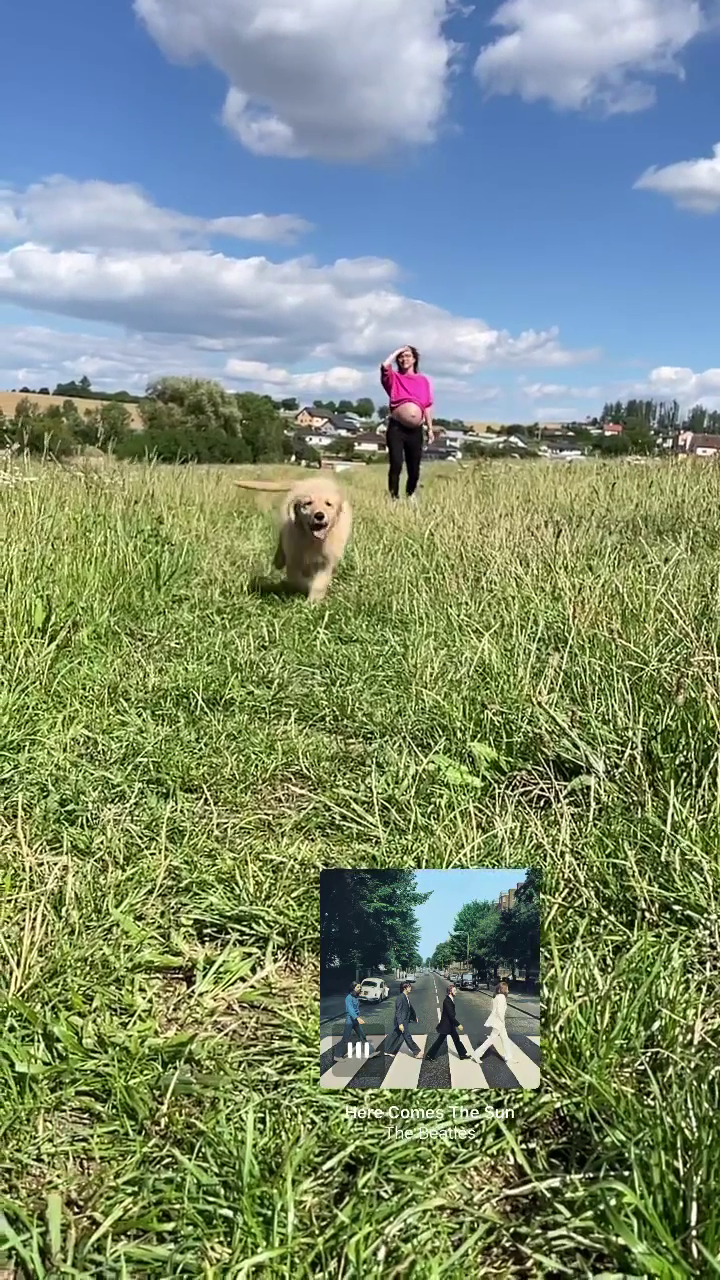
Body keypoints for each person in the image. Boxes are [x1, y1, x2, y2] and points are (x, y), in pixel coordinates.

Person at [380, 345, 434, 501]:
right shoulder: (394, 378)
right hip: (397, 428)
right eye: (401, 357)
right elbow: (384, 365)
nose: (404, 359)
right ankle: (393, 498)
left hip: (416, 430)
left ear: (414, 359)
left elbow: (427, 405)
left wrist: (430, 428)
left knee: (414, 467)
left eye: (408, 355)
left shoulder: (423, 380)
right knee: (396, 463)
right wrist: (397, 350)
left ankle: (410, 495)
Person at [471, 981, 517, 1064]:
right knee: (491, 1040)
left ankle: (509, 1057)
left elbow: (493, 1009)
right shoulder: (502, 997)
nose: (508, 991)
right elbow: (500, 1011)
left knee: (505, 1039)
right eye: (507, 989)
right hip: (499, 1022)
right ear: (503, 989)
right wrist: (502, 1021)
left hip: (497, 1021)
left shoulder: (496, 997)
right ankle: (476, 1054)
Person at [425, 984, 469, 1060]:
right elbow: (451, 1016)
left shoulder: (450, 999)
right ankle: (429, 1055)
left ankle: (462, 1054)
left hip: (450, 1025)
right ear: (450, 991)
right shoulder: (447, 1001)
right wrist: (458, 1024)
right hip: (446, 1025)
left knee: (456, 1039)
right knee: (440, 1040)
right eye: (454, 990)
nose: (456, 992)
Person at [384, 981, 420, 1057]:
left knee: (395, 1035)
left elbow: (410, 1008)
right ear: (405, 988)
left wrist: (414, 1017)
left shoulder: (405, 996)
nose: (411, 988)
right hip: (402, 1021)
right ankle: (416, 1052)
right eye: (409, 986)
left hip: (403, 1020)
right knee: (407, 1036)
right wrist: (400, 1024)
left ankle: (387, 1050)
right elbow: (398, 1012)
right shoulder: (400, 998)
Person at [334, 982, 369, 1060]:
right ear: (353, 988)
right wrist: (357, 1018)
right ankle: (337, 1056)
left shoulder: (356, 997)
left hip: (355, 1020)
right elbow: (350, 1010)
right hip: (350, 1020)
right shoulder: (348, 998)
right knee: (345, 1038)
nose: (359, 988)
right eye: (358, 987)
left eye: (360, 987)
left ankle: (370, 1052)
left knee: (362, 1036)